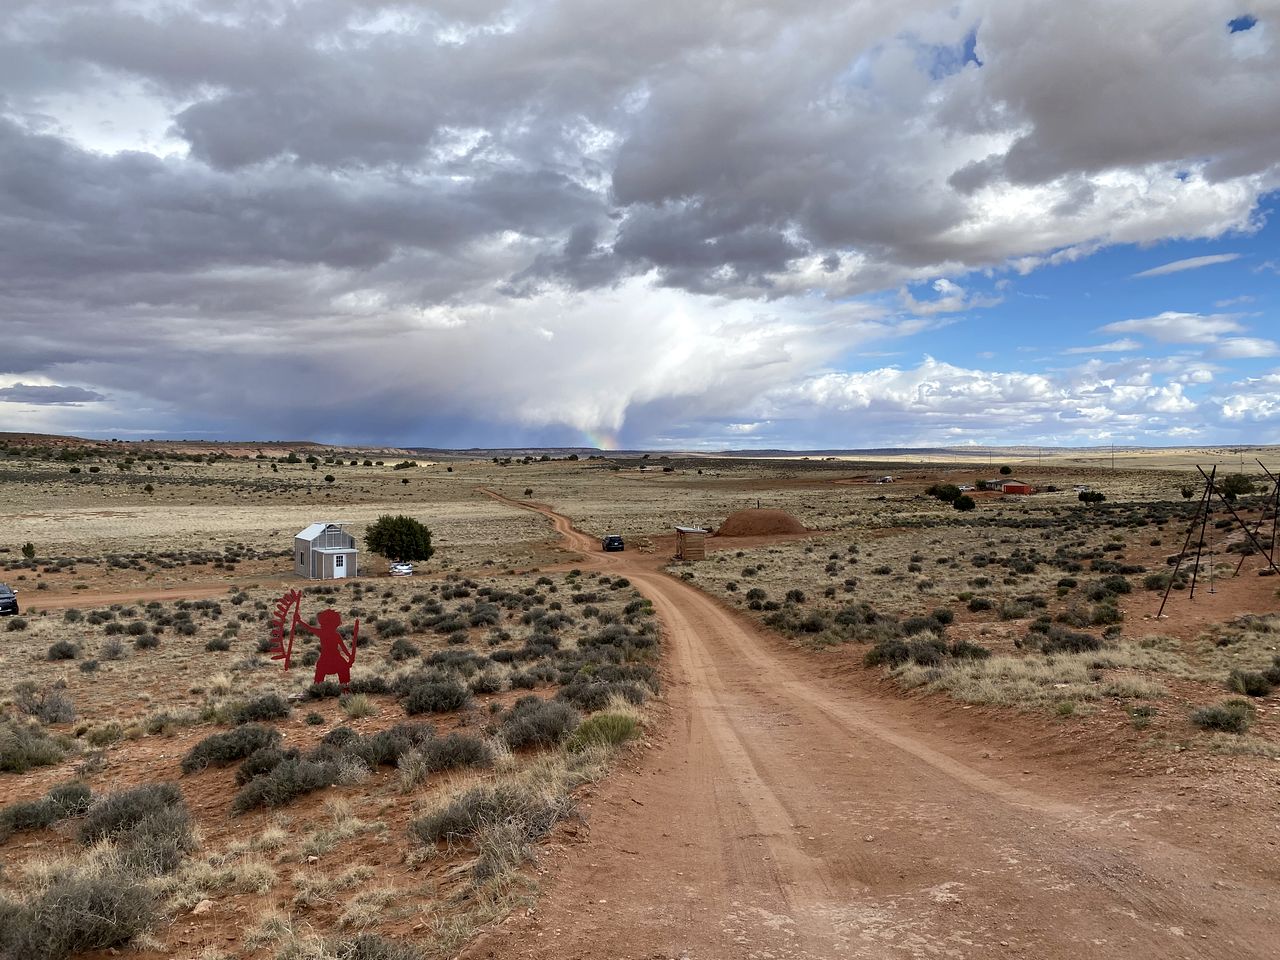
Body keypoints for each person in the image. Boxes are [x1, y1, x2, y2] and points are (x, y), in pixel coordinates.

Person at [294, 608, 358, 685]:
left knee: (319, 677)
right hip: (336, 659)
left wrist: (299, 620)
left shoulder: (322, 633)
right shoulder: (335, 635)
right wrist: (350, 657)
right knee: (344, 668)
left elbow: (309, 628)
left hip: (325, 660)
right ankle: (345, 688)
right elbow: (344, 649)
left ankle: (317, 689)